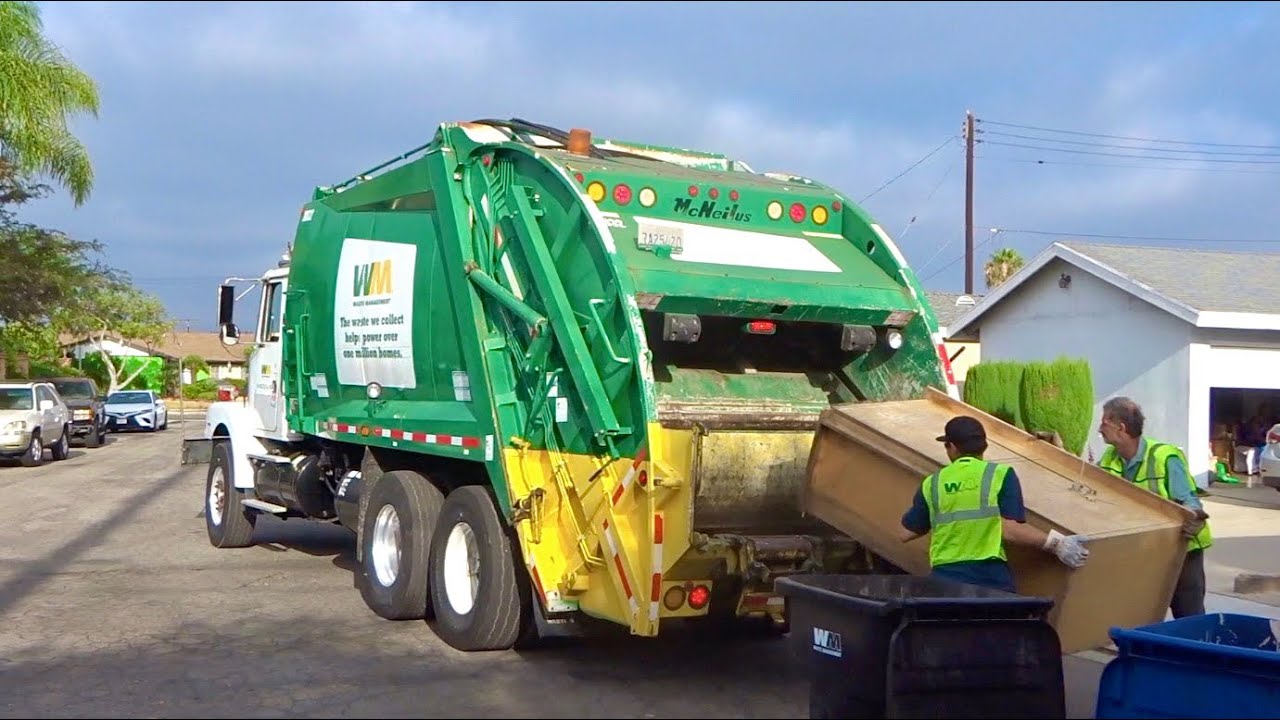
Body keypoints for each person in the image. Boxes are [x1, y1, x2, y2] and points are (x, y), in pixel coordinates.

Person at [900, 415, 1091, 593]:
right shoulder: (1000, 475)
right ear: (983, 446)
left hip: (945, 580)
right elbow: (1009, 528)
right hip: (990, 579)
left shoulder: (933, 483)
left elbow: (906, 532)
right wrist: (1057, 543)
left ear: (953, 447)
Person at [1096, 396, 1211, 618]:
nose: (1100, 429)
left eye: (1104, 424)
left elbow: (1188, 499)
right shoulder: (1111, 457)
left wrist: (1195, 516)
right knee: (1142, 611)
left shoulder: (1163, 456)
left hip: (1183, 549)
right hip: (1144, 547)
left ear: (1121, 428)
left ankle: (1193, 652)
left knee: (1188, 614)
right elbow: (1086, 482)